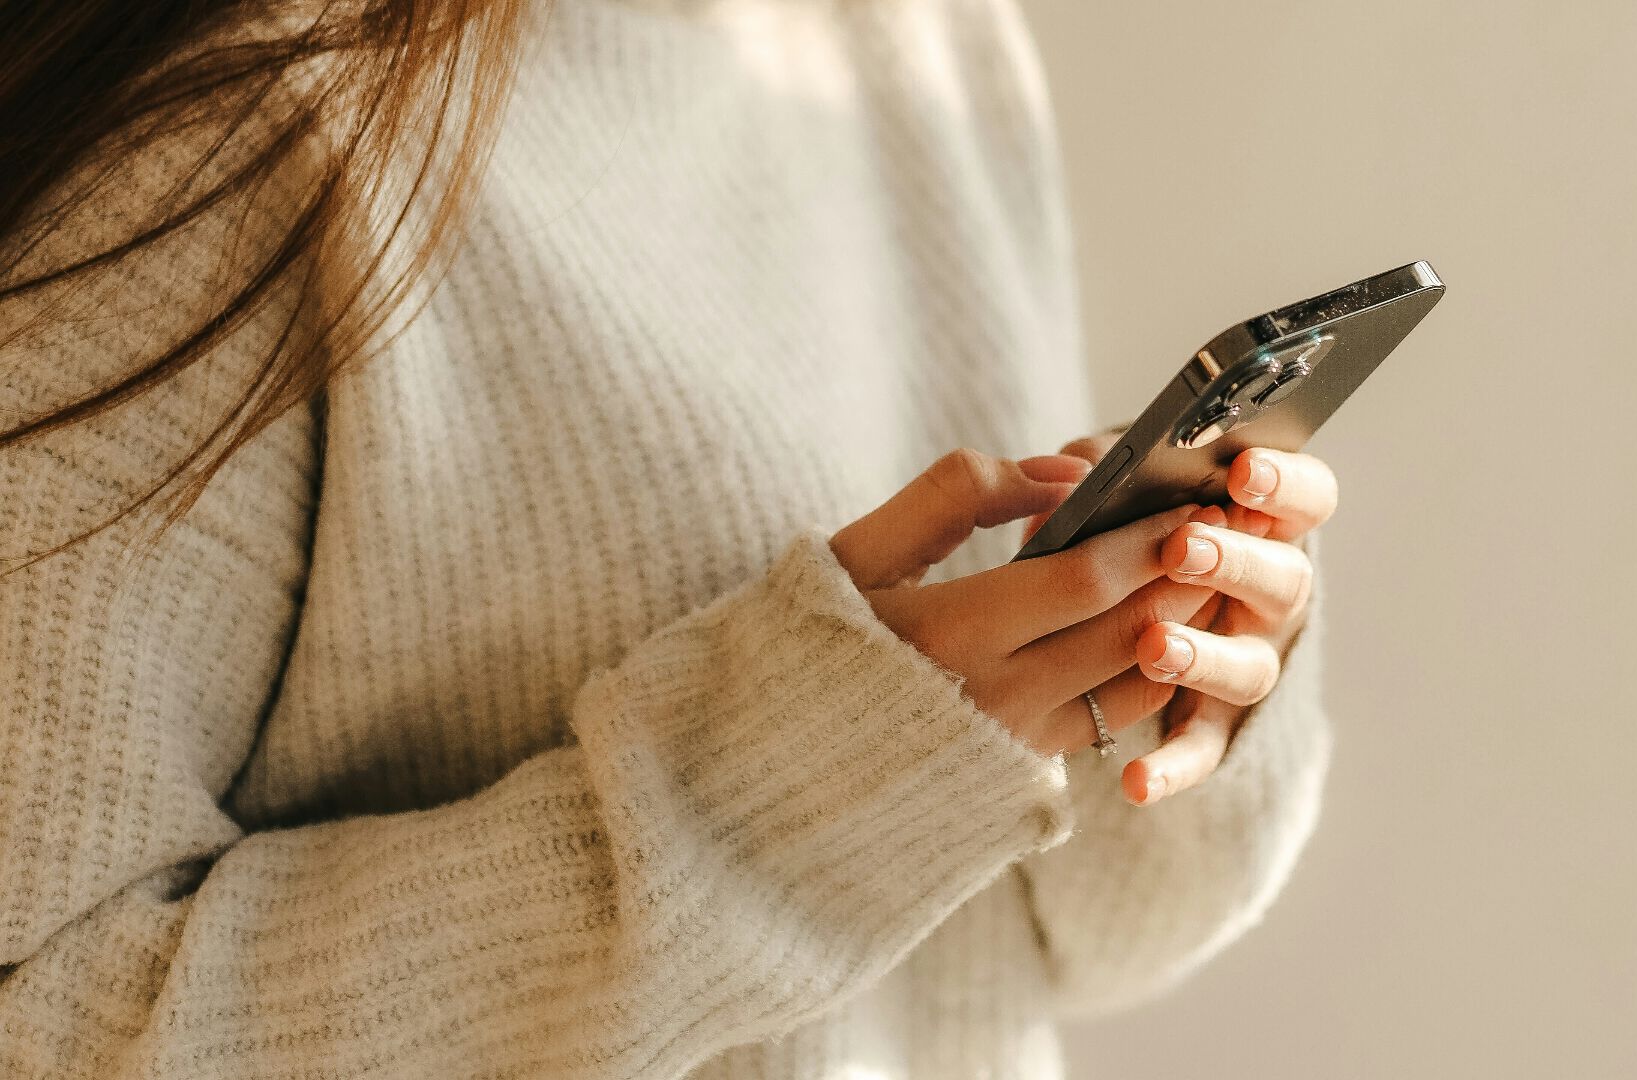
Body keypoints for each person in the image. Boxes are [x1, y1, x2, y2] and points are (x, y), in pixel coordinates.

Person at [0, 0, 1338, 1076]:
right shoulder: (237, 131)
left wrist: (1170, 670)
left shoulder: (923, 47)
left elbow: (1052, 947)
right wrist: (803, 795)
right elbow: (43, 1025)